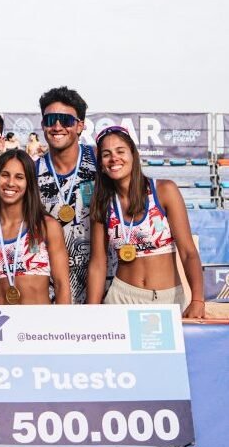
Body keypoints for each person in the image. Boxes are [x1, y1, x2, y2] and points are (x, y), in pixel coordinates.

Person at [86, 126, 204, 317]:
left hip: (169, 298)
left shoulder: (165, 190)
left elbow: (188, 252)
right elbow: (98, 262)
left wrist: (198, 299)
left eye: (120, 151)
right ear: (101, 164)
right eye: (106, 154)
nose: (114, 158)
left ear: (133, 154)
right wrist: (91, 310)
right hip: (121, 298)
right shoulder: (102, 202)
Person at [0, 150, 71, 305]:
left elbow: (62, 285)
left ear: (29, 182)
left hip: (39, 325)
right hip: (0, 324)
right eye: (4, 175)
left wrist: (61, 327)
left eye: (19, 177)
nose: (10, 183)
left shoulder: (46, 227)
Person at [35, 86, 95, 304]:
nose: (57, 126)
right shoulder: (30, 174)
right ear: (43, 125)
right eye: (51, 120)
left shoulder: (101, 162)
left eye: (66, 120)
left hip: (101, 288)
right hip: (51, 293)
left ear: (80, 126)